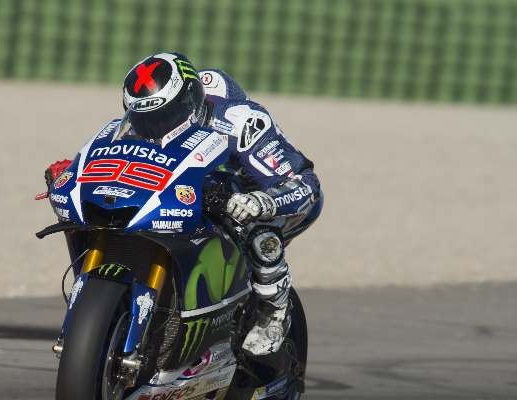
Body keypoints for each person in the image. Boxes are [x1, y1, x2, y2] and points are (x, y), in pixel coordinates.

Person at [49, 52, 323, 356]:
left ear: (189, 101)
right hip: (195, 193)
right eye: (144, 118)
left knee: (260, 235)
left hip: (266, 194)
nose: (155, 125)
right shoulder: (131, 125)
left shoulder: (240, 122)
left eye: (165, 116)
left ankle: (273, 313)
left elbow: (303, 184)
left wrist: (261, 201)